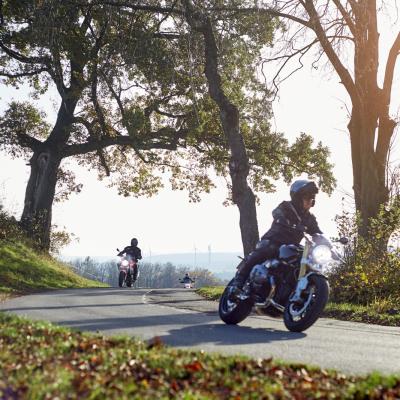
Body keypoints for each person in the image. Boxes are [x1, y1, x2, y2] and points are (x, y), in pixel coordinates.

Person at [230, 179, 322, 294]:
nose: (310, 201)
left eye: (312, 198)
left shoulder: (310, 218)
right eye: (307, 197)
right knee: (267, 249)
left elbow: (317, 232)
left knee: (302, 260)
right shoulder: (286, 207)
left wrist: (326, 242)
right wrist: (284, 220)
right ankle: (239, 280)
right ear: (298, 198)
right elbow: (277, 212)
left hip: (291, 246)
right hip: (274, 240)